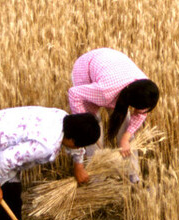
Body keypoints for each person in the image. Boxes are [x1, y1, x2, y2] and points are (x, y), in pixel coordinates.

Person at [66, 48, 160, 184]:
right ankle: (97, 181)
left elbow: (140, 114)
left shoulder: (145, 87)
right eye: (139, 109)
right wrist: (85, 121)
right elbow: (74, 93)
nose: (142, 112)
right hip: (86, 70)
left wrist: (125, 138)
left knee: (128, 138)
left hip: (113, 69)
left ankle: (133, 178)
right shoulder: (104, 92)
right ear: (130, 102)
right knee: (93, 136)